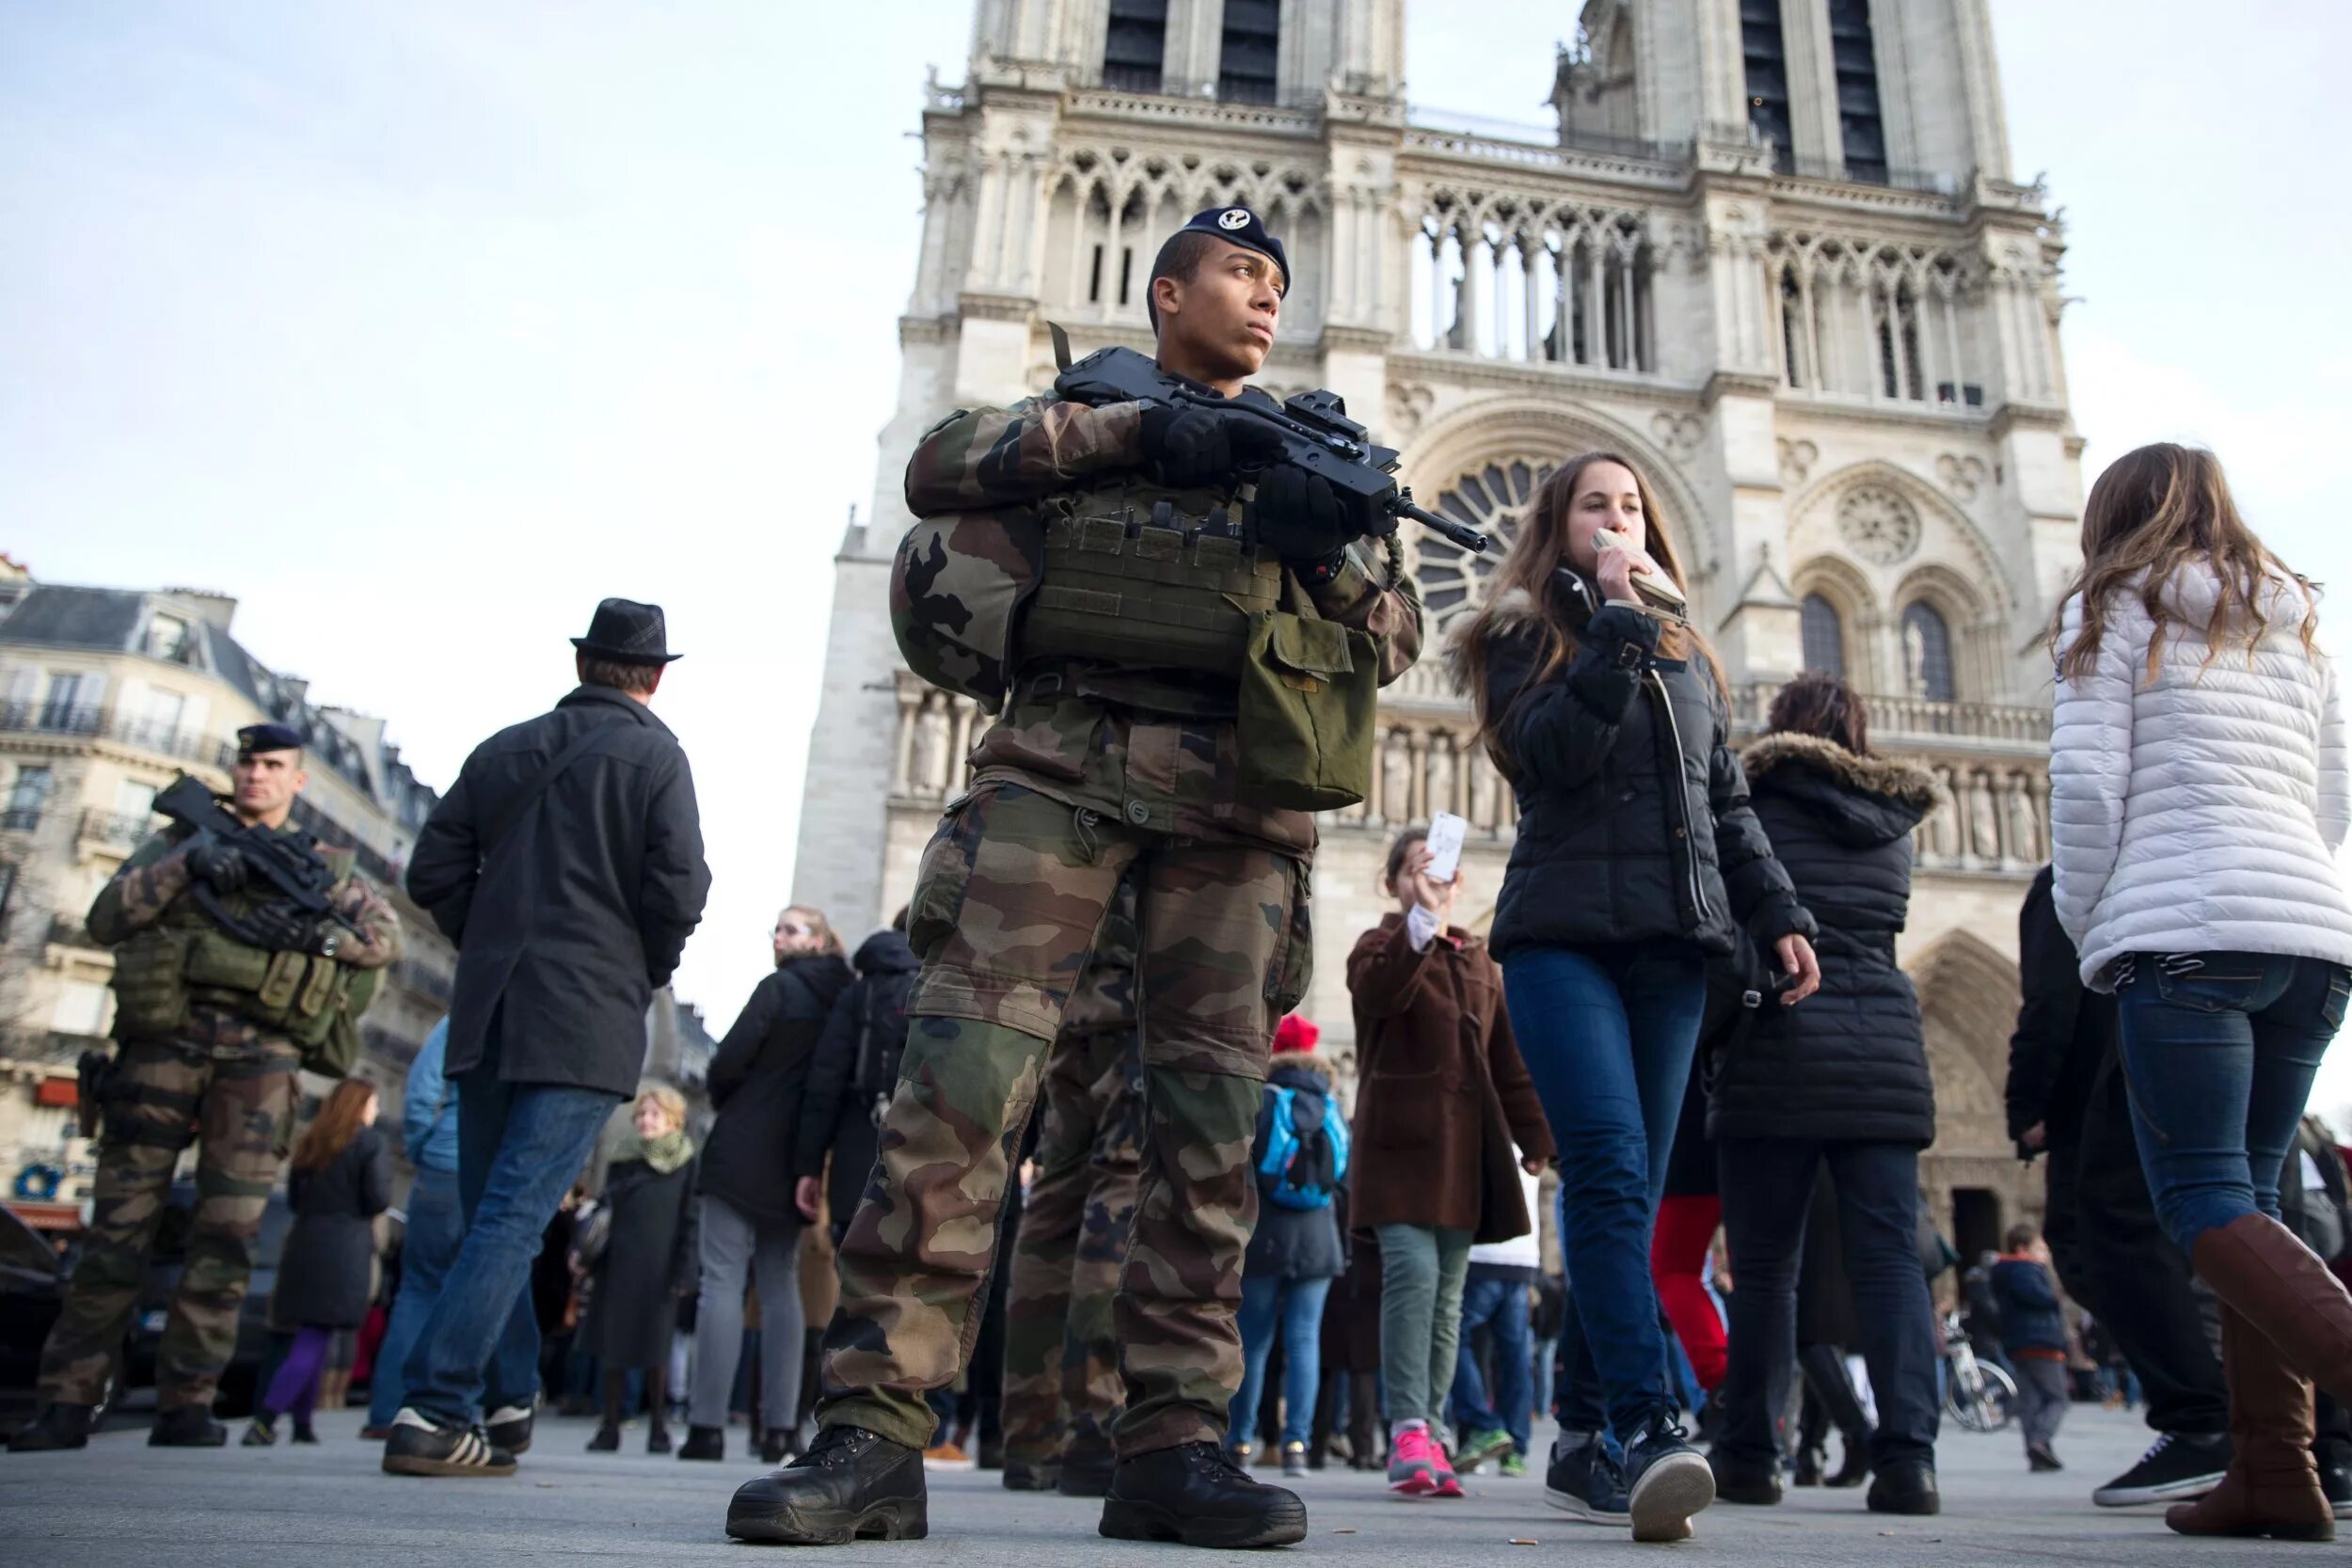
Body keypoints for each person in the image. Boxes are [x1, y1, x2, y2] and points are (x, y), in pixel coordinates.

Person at [725, 205, 1421, 1552]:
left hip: (1238, 808)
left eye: (1280, 280)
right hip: (1059, 773)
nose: (1266, 296)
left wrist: (1325, 546)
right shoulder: (1080, 408)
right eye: (1237, 272)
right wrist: (1133, 434)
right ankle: (873, 1431)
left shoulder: (1315, 451)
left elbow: (1395, 630)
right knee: (958, 1089)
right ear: (1167, 294)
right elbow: (941, 466)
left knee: (1208, 1127)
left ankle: (1171, 1442)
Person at [1446, 450, 1816, 1543]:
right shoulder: (1514, 638)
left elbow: (1726, 802)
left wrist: (1780, 912)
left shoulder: (1687, 653)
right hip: (1563, 940)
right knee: (1607, 1170)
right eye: (1593, 505)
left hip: (1673, 949)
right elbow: (1549, 757)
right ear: (1556, 527)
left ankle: (1576, 1433)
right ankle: (1654, 1422)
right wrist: (1611, 623)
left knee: (1635, 1195)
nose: (1617, 518)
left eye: (1630, 505)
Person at [2051, 443, 2352, 1542]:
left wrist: (2097, 922)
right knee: (2254, 1204)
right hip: (2309, 941)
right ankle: (2277, 1472)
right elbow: (2332, 797)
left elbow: (2085, 787)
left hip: (2183, 931)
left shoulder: (2112, 607)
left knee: (2198, 1198)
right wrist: (2283, 906)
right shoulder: (2290, 625)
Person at [10, 723, 402, 1453]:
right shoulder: (181, 841)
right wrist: (188, 866)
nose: (256, 775)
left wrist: (316, 933)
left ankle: (186, 1401)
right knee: (115, 1233)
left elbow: (384, 940)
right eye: (248, 762)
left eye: (273, 765)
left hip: (260, 1065)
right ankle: (66, 1400)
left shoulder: (322, 867)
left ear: (297, 781)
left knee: (227, 1238)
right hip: (162, 1049)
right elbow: (106, 917)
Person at [391, 598, 710, 1477]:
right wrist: (639, 966)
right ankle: (434, 1405)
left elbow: (431, 871)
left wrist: (487, 939)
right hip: (585, 1016)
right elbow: (681, 888)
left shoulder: (503, 749)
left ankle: (509, 1396)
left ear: (581, 664)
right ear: (655, 676)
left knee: (497, 1211)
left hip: (490, 1008)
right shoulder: (655, 755)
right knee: (512, 1215)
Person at [1700, 673, 1944, 1516]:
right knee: (1890, 1263)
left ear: (1781, 729)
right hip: (1884, 1048)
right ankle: (1909, 1459)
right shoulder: (1894, 825)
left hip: (1779, 1043)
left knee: (1766, 1269)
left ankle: (1749, 1454)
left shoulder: (1752, 807)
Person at [2003, 863, 2233, 1509]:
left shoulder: (2074, 873)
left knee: (2099, 1236)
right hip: (2271, 972)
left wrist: (2028, 1103)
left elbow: (2050, 1000)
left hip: (2110, 1079)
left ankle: (2202, 1416)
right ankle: (2315, 1434)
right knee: (2234, 1225)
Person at [1346, 828, 1554, 1502]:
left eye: (1440, 872)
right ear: (1394, 883)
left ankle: (1432, 1428)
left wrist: (1537, 1133)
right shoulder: (1380, 945)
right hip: (1399, 1146)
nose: (1430, 879)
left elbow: (1508, 1058)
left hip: (1464, 1152)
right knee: (1411, 1275)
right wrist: (1422, 921)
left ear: (1461, 882)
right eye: (1415, 870)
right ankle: (1408, 1423)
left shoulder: (1480, 962)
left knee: (1446, 1300)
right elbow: (1379, 992)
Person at [679, 907, 854, 1465]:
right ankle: (781, 1427)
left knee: (722, 1282)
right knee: (781, 1286)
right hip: (797, 1158)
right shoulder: (841, 1000)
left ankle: (706, 1425)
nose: (779, 937)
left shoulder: (778, 987)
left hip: (742, 1143)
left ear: (821, 940)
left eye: (793, 928)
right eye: (777, 929)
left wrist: (727, 1094)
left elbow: (729, 1061)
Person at [997, 878, 1146, 1497]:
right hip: (1139, 1007)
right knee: (1117, 1208)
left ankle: (1032, 1437)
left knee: (1053, 1211)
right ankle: (1095, 1426)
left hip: (1067, 1000)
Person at [1227, 1016, 1346, 1478]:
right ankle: (1298, 1442)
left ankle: (1239, 1442)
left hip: (1266, 1236)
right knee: (1304, 1340)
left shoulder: (1262, 1099)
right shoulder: (1329, 1104)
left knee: (1254, 1342)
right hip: (1319, 1239)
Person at [246, 1079, 392, 1445]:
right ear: (359, 1107)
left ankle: (302, 1424)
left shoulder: (311, 1142)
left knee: (313, 1333)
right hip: (344, 1248)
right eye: (373, 1103)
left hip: (305, 1242)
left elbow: (295, 1198)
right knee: (314, 1338)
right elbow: (377, 1198)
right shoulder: (370, 1143)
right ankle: (265, 1419)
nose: (376, 1111)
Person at [794, 911, 920, 1245]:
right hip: (925, 1161)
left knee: (853, 1277)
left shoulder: (859, 992)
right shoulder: (945, 988)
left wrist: (809, 1164)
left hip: (857, 1156)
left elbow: (825, 1083)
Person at [585, 1085, 699, 1454]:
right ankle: (610, 1424)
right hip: (619, 1261)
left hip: (661, 1265)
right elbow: (606, 1207)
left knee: (657, 1349)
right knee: (614, 1347)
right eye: (642, 1114)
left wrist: (686, 1270)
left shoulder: (686, 1160)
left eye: (654, 1114)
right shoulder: (622, 1158)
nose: (646, 1121)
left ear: (673, 1119)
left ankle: (658, 1427)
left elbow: (690, 1217)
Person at [366, 1018, 462, 1438]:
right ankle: (454, 1414)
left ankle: (388, 1412)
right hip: (499, 1170)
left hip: (444, 1161)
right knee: (478, 1292)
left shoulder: (466, 1008)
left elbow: (422, 1088)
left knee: (418, 1290)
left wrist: (427, 1145)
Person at [1448, 1156, 1544, 1479]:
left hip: (1480, 1252)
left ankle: (1482, 1424)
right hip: (1523, 1256)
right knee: (1515, 1353)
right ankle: (1515, 1448)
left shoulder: (1481, 1123)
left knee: (1451, 1338)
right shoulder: (1530, 1129)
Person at [1991, 1224, 2070, 1472]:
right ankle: (2040, 1440)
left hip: (2019, 1342)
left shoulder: (2005, 1271)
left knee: (2031, 1400)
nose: (2045, 1255)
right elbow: (2040, 1298)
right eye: (2041, 1249)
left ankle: (2036, 1453)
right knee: (2058, 1398)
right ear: (2023, 1249)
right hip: (2041, 1341)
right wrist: (2056, 1293)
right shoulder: (2026, 1270)